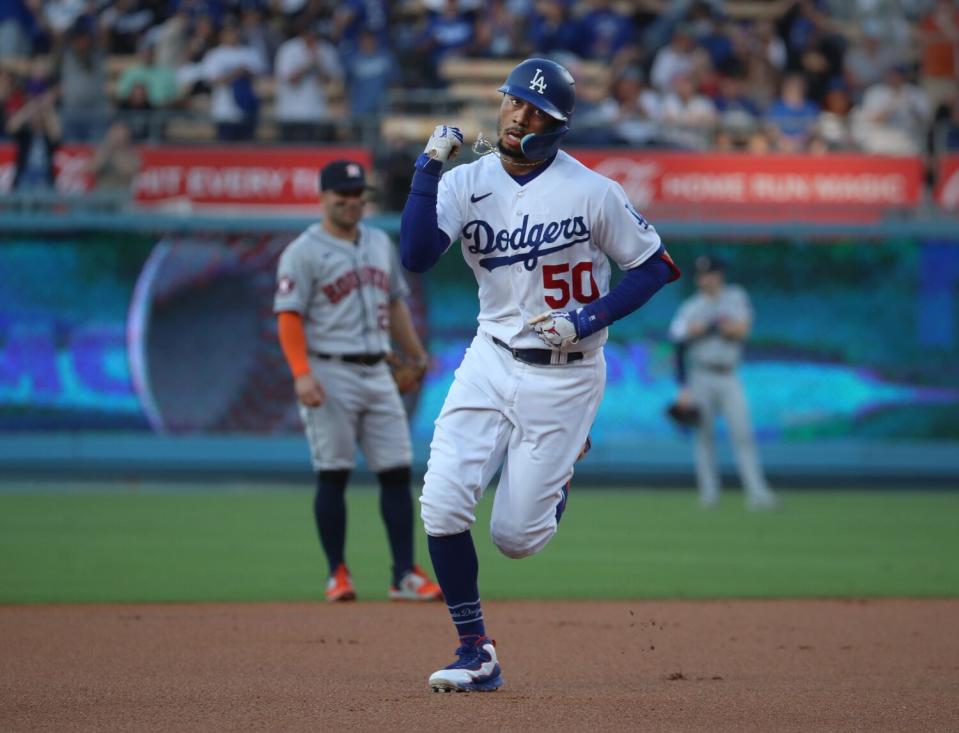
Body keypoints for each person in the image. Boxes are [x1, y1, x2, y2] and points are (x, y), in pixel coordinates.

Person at [399, 58, 680, 693]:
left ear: (557, 125)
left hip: (568, 372)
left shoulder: (592, 191)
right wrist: (426, 168)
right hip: (491, 356)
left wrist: (588, 318)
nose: (518, 116)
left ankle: (561, 472)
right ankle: (476, 649)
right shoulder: (466, 180)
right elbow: (415, 256)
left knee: (516, 539)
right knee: (441, 505)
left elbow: (655, 266)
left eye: (535, 111)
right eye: (513, 102)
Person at [273, 159, 442, 604]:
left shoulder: (379, 242)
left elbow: (398, 304)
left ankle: (403, 574)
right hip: (328, 371)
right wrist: (301, 373)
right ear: (323, 197)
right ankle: (337, 573)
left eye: (357, 194)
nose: (351, 202)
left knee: (396, 472)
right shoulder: (303, 251)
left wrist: (416, 353)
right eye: (341, 195)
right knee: (334, 473)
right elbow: (288, 317)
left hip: (378, 369)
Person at [667, 255, 777, 511]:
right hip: (700, 374)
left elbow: (741, 330)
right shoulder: (691, 306)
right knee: (703, 437)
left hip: (728, 373)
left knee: (743, 433)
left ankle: (757, 493)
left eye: (711, 273)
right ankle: (709, 494)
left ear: (720, 275)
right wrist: (683, 387)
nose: (706, 279)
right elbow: (678, 338)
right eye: (702, 274)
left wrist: (706, 327)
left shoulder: (735, 296)